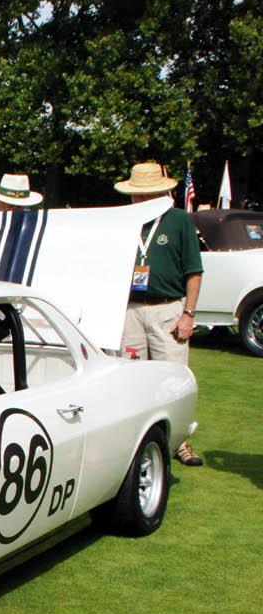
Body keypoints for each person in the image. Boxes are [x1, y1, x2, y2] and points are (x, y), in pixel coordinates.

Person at [115, 160, 204, 467]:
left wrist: (188, 314)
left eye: (144, 195)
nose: (138, 200)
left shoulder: (178, 220)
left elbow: (194, 272)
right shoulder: (125, 221)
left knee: (172, 378)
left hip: (168, 308)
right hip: (131, 309)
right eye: (135, 195)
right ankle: (136, 442)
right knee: (131, 376)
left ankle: (180, 442)